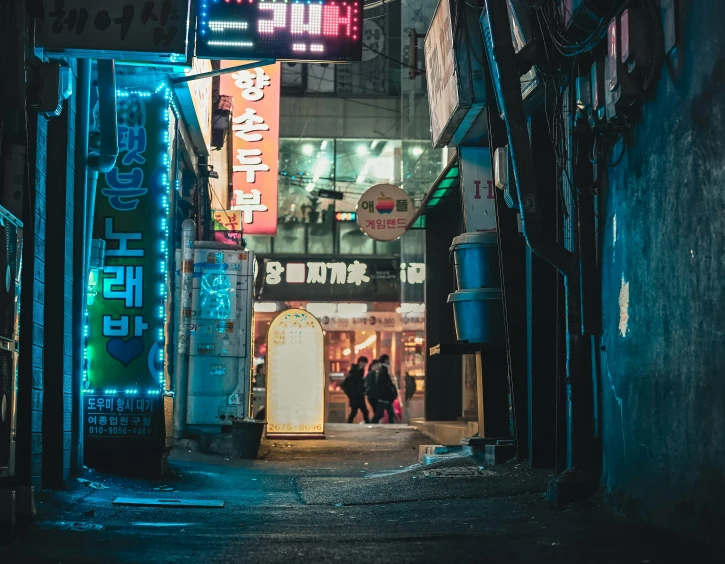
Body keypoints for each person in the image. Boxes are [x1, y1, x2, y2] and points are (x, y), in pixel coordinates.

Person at [341, 356, 369, 423]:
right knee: (356, 411)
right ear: (360, 362)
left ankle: (367, 422)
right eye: (364, 363)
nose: (364, 365)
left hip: (359, 394)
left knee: (361, 411)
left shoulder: (361, 370)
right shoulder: (354, 370)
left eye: (365, 363)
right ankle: (350, 423)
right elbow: (354, 382)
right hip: (355, 395)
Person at [371, 354, 397, 424]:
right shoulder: (384, 370)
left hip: (384, 396)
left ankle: (392, 426)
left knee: (390, 413)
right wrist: (390, 393)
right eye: (389, 360)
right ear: (386, 360)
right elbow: (385, 384)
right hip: (384, 397)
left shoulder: (382, 370)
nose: (390, 361)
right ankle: (371, 423)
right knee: (380, 414)